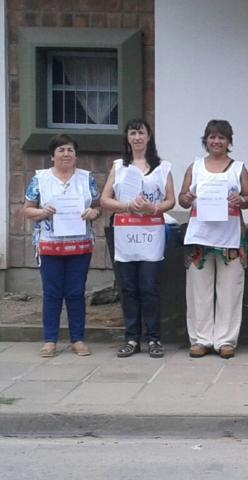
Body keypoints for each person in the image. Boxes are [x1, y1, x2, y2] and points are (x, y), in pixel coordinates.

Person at [101, 119, 175, 359]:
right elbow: (105, 199)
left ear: (149, 136)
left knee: (149, 287)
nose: (137, 137)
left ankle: (154, 338)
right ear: (127, 137)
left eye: (141, 132)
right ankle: (132, 338)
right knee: (129, 288)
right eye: (132, 133)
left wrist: (154, 208)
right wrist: (127, 206)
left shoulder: (162, 167)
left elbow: (170, 200)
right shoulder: (119, 166)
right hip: (125, 234)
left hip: (151, 234)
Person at [178, 119, 248, 359]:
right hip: (200, 237)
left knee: (230, 290)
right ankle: (201, 340)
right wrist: (187, 198)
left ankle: (225, 341)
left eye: (221, 137)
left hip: (230, 237)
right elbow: (182, 198)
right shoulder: (195, 167)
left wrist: (242, 200)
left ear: (229, 141)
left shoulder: (238, 168)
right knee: (198, 292)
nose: (216, 141)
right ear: (205, 140)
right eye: (212, 137)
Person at [23, 134, 101, 357]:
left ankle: (78, 339)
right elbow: (27, 209)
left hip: (79, 246)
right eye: (61, 150)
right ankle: (50, 340)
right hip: (50, 245)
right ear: (52, 156)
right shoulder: (40, 179)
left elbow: (98, 206)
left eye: (70, 150)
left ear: (76, 155)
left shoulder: (86, 179)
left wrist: (93, 212)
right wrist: (42, 212)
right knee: (52, 293)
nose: (66, 154)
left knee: (76, 292)